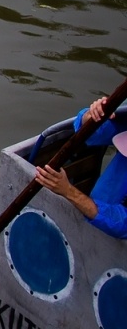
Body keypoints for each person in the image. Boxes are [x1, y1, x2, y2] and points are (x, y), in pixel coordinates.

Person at [35, 96, 127, 238]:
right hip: (100, 208)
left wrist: (69, 191)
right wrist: (91, 115)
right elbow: (98, 132)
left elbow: (122, 224)